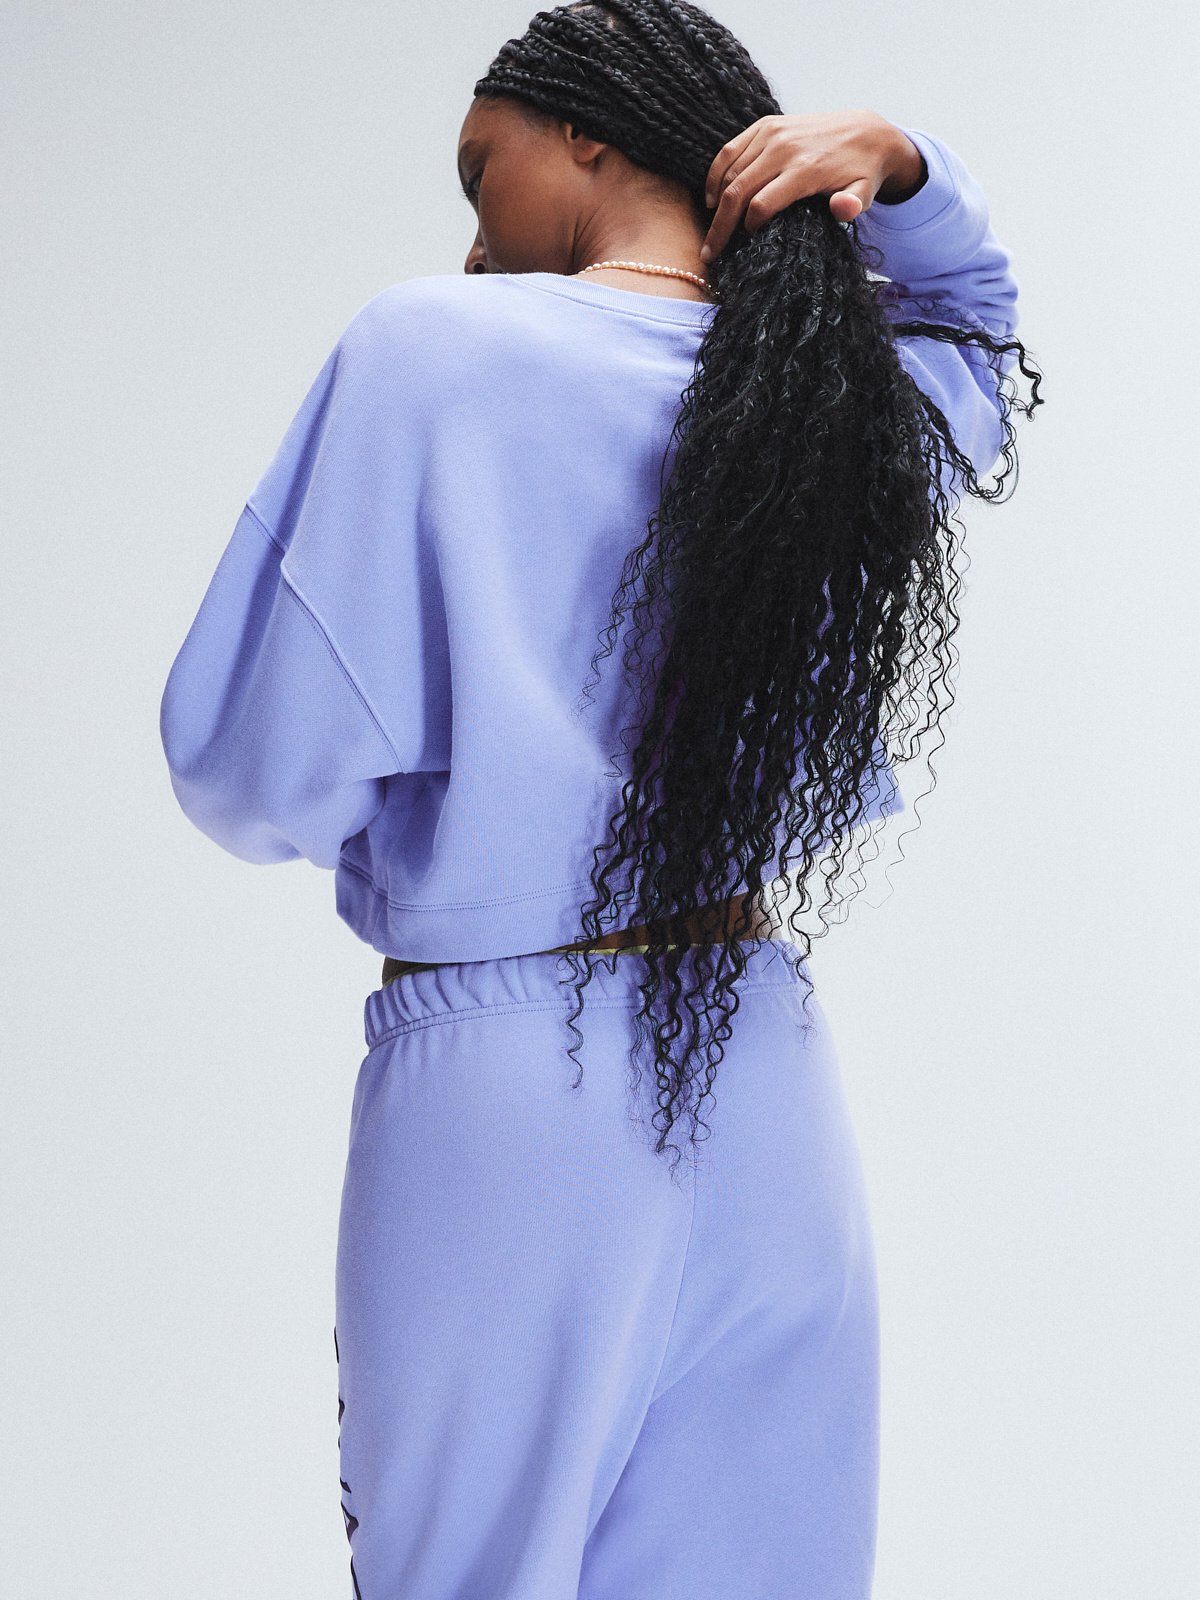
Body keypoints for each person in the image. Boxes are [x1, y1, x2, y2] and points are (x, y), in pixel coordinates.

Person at [159, 2, 1043, 1594]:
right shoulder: (827, 400)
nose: (474, 236)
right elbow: (977, 330)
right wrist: (904, 166)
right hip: (763, 1067)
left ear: (585, 135)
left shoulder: (430, 349)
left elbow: (237, 767)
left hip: (511, 1081)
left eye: (479, 171)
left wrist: (440, 815)